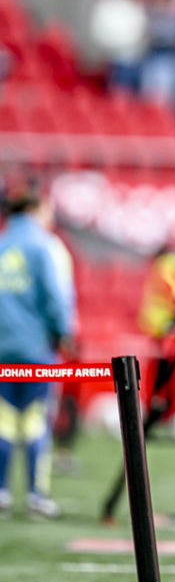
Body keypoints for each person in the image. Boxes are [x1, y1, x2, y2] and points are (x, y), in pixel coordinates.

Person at [0, 177, 74, 518]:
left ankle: (1, 493)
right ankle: (34, 495)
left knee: (2, 422)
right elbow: (55, 297)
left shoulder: (2, 242)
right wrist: (65, 331)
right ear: (34, 209)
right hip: (35, 348)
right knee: (34, 421)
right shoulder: (43, 245)